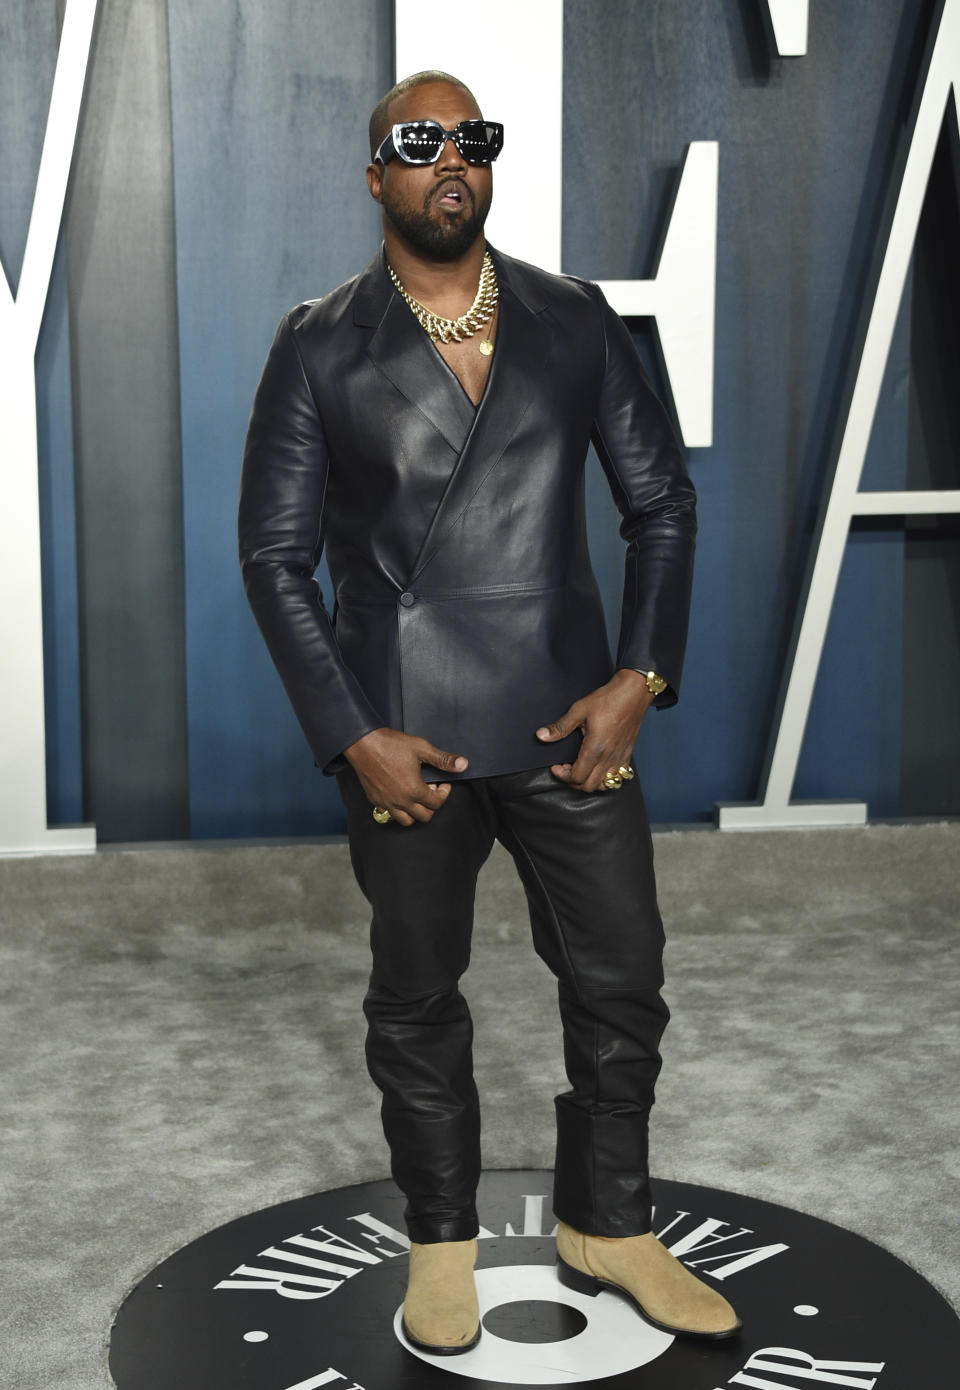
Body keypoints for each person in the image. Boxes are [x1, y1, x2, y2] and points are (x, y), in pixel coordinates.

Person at [238, 69, 739, 1355]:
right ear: (376, 176)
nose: (450, 158)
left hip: (571, 724)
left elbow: (662, 505)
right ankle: (443, 1240)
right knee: (418, 994)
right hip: (407, 736)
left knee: (624, 978)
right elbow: (274, 559)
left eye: (473, 138)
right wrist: (356, 734)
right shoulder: (318, 342)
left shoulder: (575, 320)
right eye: (420, 141)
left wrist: (640, 679)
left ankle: (609, 1222)